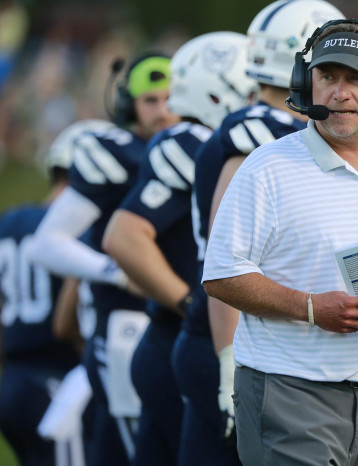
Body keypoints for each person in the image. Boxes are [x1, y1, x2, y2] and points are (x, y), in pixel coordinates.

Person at [203, 18, 358, 466]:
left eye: (356, 78)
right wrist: (312, 308)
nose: (340, 92)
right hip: (286, 391)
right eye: (328, 77)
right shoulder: (267, 168)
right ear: (305, 83)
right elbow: (222, 276)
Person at [188, 0, 344, 456]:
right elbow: (228, 264)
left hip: (238, 336)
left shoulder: (259, 125)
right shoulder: (264, 134)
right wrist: (228, 363)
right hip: (235, 338)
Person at [102, 32, 257, 466]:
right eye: (256, 88)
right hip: (191, 341)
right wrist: (189, 301)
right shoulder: (191, 141)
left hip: (172, 345)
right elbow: (123, 236)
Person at [27, 53, 178, 466]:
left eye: (172, 97)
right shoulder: (116, 153)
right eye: (151, 99)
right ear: (129, 104)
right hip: (125, 327)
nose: (163, 110)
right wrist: (115, 271)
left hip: (176, 325)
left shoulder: (195, 148)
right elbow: (47, 243)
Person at [0, 120, 109, 466]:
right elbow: (66, 324)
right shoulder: (72, 231)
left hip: (13, 379)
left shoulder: (10, 221)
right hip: (55, 380)